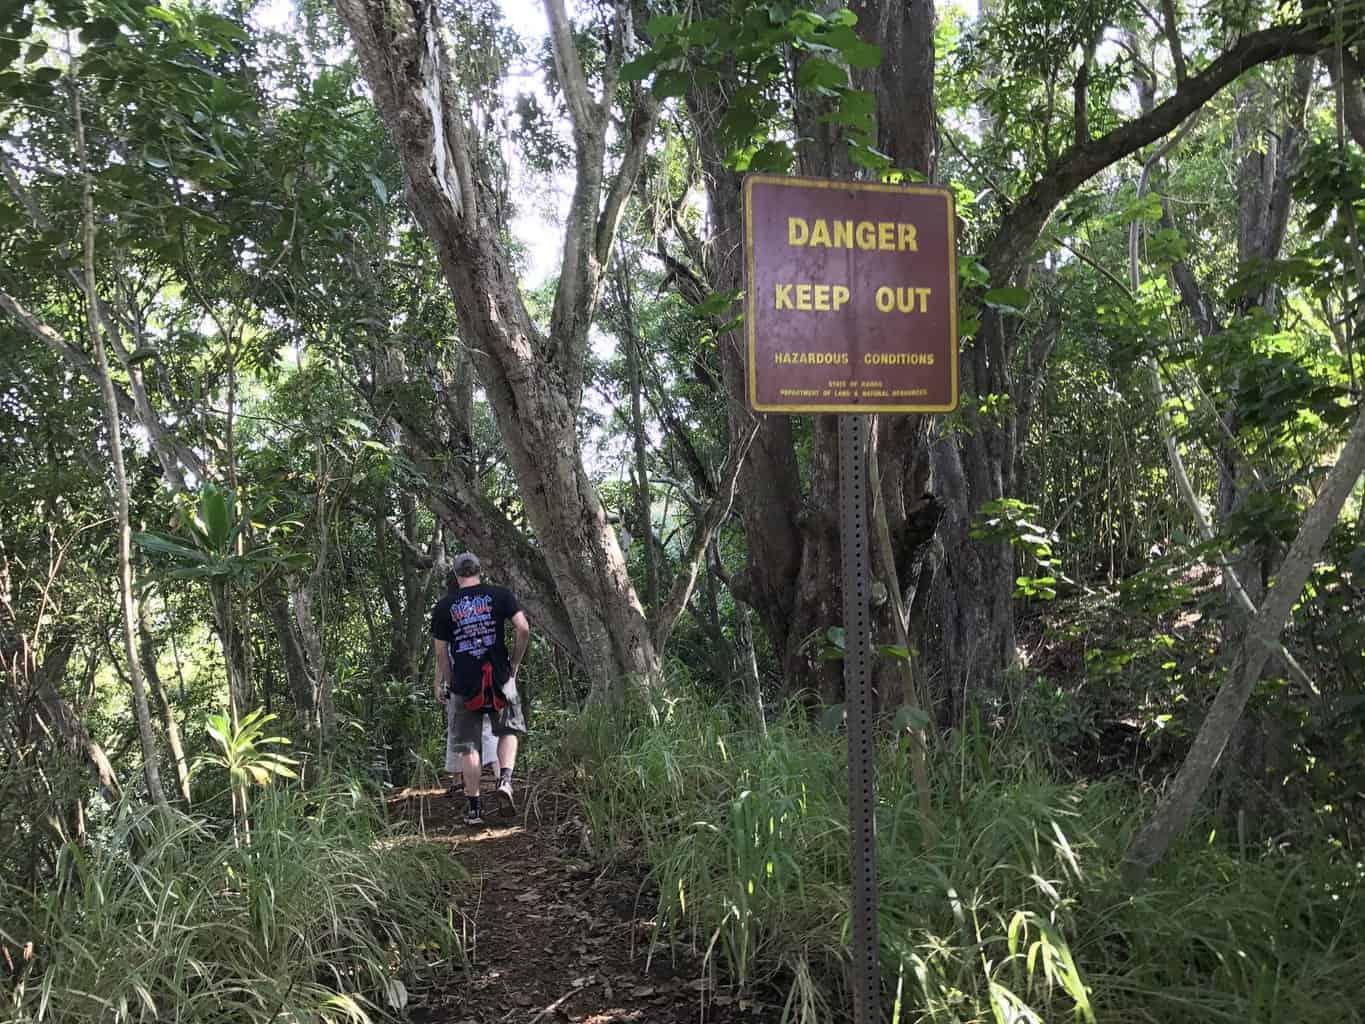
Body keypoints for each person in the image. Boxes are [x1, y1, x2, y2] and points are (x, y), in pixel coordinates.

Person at [431, 552, 530, 826]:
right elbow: (523, 629)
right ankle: (505, 781)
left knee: (468, 747)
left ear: (455, 574)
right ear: (479, 569)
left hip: (464, 682)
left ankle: (474, 810)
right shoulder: (500, 595)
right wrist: (514, 663)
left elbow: (441, 652)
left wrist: (448, 680)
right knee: (508, 729)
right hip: (499, 676)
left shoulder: (445, 605)